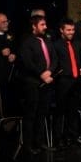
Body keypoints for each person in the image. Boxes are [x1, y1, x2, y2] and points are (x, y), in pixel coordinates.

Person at [18, 14, 55, 153]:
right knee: (31, 115)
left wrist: (49, 71)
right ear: (34, 26)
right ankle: (28, 145)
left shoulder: (47, 40)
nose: (45, 27)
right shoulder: (27, 42)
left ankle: (39, 142)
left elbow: (54, 58)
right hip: (32, 83)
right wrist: (41, 74)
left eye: (45, 24)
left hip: (46, 82)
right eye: (42, 25)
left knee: (42, 113)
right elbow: (28, 62)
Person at [52, 18, 81, 146]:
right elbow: (54, 63)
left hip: (76, 81)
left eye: (72, 30)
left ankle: (72, 136)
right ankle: (58, 138)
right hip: (62, 82)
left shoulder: (77, 43)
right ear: (61, 30)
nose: (71, 32)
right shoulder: (56, 45)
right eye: (68, 30)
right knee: (60, 111)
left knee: (73, 110)